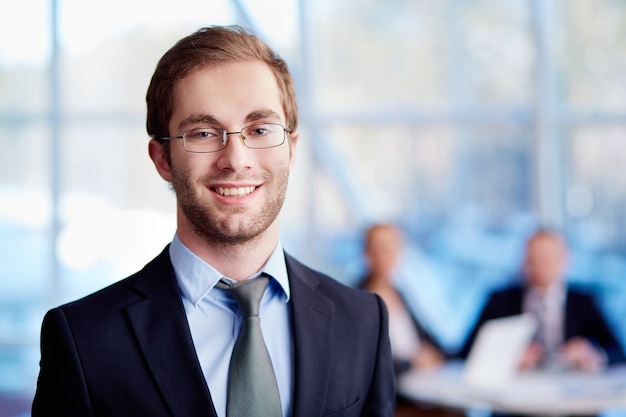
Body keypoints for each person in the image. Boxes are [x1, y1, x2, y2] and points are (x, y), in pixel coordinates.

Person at [32, 25, 395, 417]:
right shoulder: (85, 340)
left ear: (291, 147)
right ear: (162, 160)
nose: (236, 159)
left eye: (260, 129)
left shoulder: (363, 322)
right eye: (204, 133)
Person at [460, 228, 626, 372]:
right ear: (524, 262)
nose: (540, 267)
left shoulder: (584, 302)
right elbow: (465, 353)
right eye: (533, 259)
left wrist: (593, 355)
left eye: (547, 259)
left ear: (564, 260)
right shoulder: (499, 301)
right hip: (514, 400)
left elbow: (618, 351)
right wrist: (507, 358)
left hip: (571, 399)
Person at [359, 224, 460, 417]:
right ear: (366, 253)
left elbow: (429, 340)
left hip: (421, 384)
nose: (384, 255)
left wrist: (438, 355)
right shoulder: (356, 299)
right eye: (377, 248)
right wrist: (411, 363)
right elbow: (365, 363)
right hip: (393, 395)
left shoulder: (400, 294)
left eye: (390, 248)